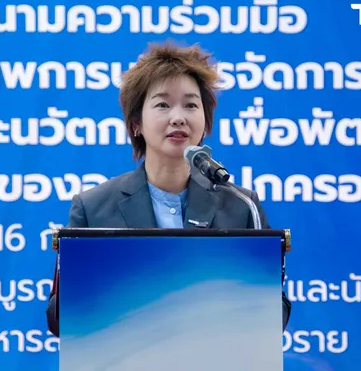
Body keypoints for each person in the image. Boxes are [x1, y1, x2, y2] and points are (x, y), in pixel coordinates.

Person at [46, 41, 291, 337]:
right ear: (136, 123)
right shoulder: (93, 207)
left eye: (191, 105)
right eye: (163, 105)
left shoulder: (240, 205)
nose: (178, 117)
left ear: (205, 121)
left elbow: (273, 312)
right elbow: (61, 319)